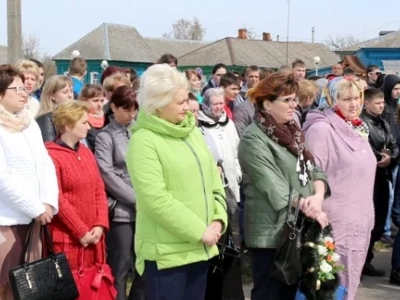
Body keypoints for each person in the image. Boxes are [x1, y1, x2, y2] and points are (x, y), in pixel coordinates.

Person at [126, 64, 227, 300]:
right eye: (180, 102)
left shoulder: (191, 131)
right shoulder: (144, 141)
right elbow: (154, 199)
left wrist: (218, 219)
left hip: (200, 248)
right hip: (167, 254)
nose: (188, 107)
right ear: (158, 105)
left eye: (187, 100)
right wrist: (199, 231)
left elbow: (214, 179)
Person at [238, 72, 330, 300]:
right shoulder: (253, 138)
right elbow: (272, 185)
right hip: (271, 232)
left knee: (290, 292)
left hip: (297, 224)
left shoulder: (292, 131)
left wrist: (318, 196)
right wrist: (308, 207)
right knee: (270, 293)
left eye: (294, 99)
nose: (293, 105)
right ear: (267, 104)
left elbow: (313, 168)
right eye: (286, 100)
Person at [303, 77, 376, 300]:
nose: (354, 104)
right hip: (334, 224)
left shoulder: (358, 128)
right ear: (332, 100)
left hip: (359, 221)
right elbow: (311, 177)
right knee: (331, 287)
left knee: (350, 283)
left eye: (357, 98)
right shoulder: (321, 130)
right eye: (346, 99)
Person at [0, 64, 58, 300]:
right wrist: (35, 208)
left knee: (30, 289)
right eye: (18, 88)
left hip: (35, 219)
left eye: (26, 86)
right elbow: (2, 178)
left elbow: (45, 163)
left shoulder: (29, 123)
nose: (25, 91)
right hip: (8, 221)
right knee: (6, 286)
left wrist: (47, 202)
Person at [45, 101, 109, 286]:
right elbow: (57, 197)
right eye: (83, 122)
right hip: (67, 239)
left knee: (92, 286)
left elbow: (99, 188)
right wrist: (80, 230)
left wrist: (100, 223)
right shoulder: (51, 155)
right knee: (69, 287)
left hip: (93, 237)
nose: (89, 126)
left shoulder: (86, 153)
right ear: (67, 125)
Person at [94, 85, 143, 300]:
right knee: (121, 265)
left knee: (145, 264)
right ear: (113, 107)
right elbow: (106, 174)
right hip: (122, 212)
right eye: (126, 110)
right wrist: (135, 199)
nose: (131, 114)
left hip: (147, 208)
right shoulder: (106, 136)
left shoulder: (141, 130)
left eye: (134, 110)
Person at [360, 88, 399, 277]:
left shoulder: (383, 123)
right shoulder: (362, 123)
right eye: (378, 102)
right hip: (369, 180)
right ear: (366, 103)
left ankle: (366, 259)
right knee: (367, 223)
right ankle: (360, 261)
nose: (381, 105)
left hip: (383, 177)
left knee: (378, 223)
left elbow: (394, 144)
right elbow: (362, 146)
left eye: (383, 102)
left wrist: (391, 157)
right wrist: (378, 157)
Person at [36, 75, 74, 142]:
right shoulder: (45, 119)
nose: (70, 95)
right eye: (65, 92)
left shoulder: (74, 116)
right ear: (52, 96)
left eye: (71, 91)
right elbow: (50, 147)